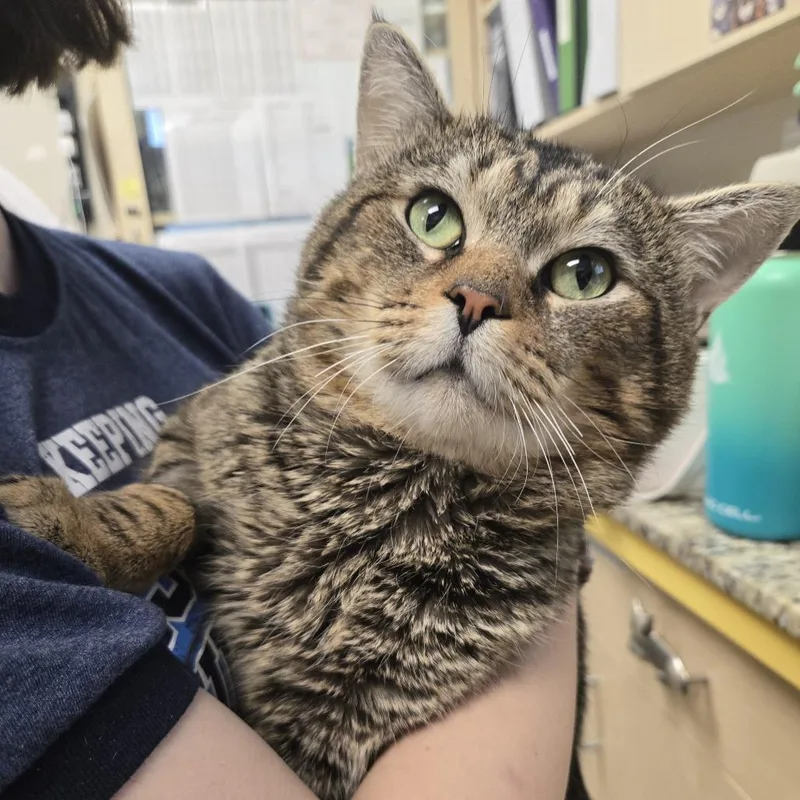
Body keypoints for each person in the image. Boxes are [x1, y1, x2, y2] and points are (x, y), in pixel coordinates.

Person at [0, 3, 582, 798]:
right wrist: (144, 525)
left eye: (581, 276)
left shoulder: (181, 295)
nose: (477, 294)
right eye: (435, 215)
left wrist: (549, 515)